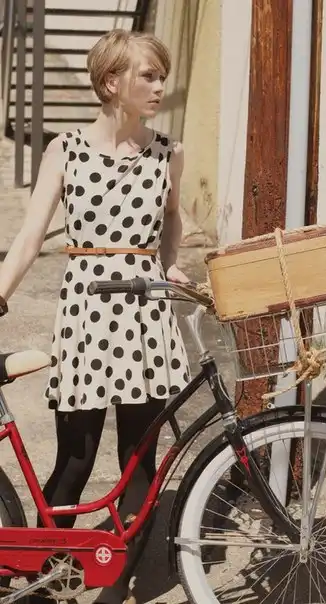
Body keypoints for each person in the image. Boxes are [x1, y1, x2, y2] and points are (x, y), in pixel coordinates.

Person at [0, 29, 191, 604]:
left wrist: (170, 263)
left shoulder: (169, 152)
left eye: (161, 76)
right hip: (86, 313)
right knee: (75, 457)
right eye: (148, 76)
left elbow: (173, 217)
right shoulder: (66, 150)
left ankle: (119, 581)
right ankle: (41, 573)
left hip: (146, 312)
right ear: (112, 82)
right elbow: (30, 236)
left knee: (138, 458)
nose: (159, 86)